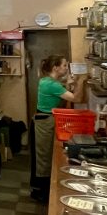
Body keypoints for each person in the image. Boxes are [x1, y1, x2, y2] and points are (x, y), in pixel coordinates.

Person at [32, 55, 86, 202]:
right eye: (64, 65)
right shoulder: (51, 84)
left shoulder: (48, 81)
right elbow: (77, 98)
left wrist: (69, 83)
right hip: (45, 121)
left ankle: (40, 189)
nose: (66, 68)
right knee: (44, 156)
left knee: (44, 154)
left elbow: (63, 91)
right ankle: (42, 193)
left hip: (44, 119)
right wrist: (81, 80)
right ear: (55, 68)